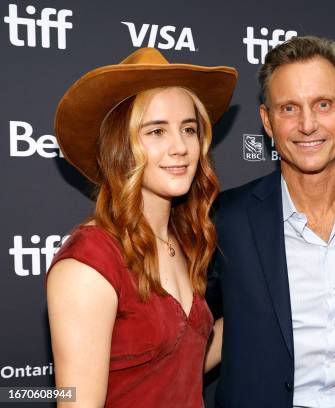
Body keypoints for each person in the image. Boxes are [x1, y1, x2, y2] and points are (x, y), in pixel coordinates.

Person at [206, 36, 335, 407]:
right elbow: (188, 333)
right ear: (267, 121)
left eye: (323, 105)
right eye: (289, 108)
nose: (307, 125)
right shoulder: (227, 217)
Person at [46, 47, 237, 407]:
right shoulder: (89, 263)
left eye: (189, 129)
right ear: (121, 147)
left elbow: (178, 364)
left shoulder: (183, 243)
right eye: (156, 131)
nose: (180, 147)